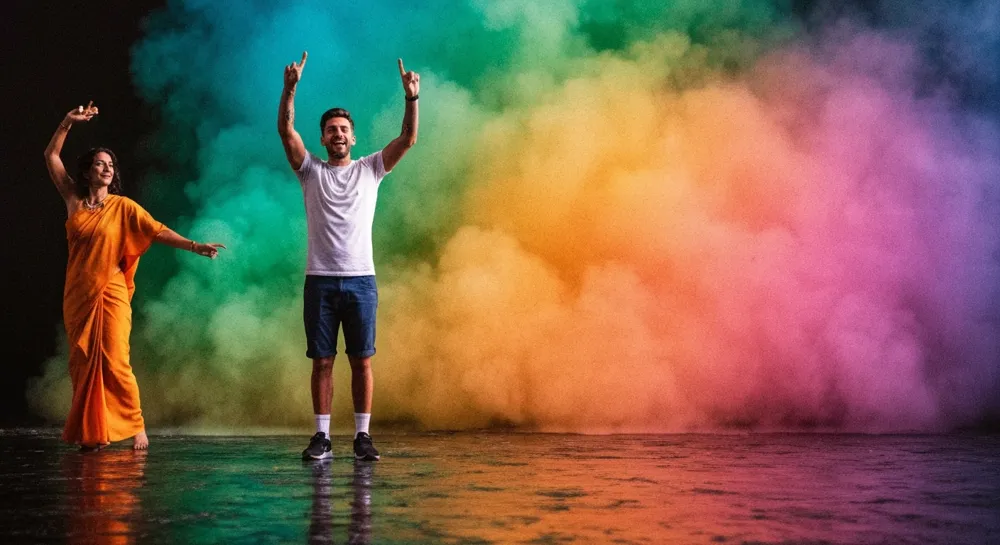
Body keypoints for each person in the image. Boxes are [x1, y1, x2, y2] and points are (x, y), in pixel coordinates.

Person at [44, 102, 226, 451]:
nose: (107, 169)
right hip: (78, 294)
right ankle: (94, 432)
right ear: (86, 172)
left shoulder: (123, 207)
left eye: (111, 165)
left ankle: (135, 425)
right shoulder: (74, 201)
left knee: (115, 359)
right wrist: (67, 121)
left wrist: (195, 246)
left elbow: (156, 231)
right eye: (100, 164)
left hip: (110, 293)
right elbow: (51, 157)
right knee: (83, 364)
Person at [278, 52, 419, 461]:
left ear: (353, 138)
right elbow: (286, 131)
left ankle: (362, 436)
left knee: (362, 361)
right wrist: (290, 89)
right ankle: (321, 437)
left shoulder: (371, 168)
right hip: (319, 279)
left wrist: (411, 99)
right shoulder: (310, 172)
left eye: (343, 129)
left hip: (361, 280)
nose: (337, 134)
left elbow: (408, 139)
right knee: (322, 362)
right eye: (330, 130)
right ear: (322, 138)